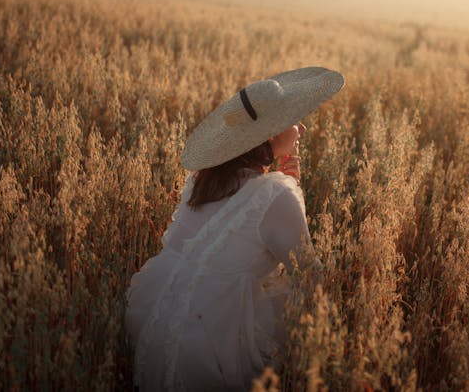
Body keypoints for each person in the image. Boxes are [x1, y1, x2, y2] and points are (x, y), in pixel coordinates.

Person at [125, 67, 344, 391]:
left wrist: (290, 186)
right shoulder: (276, 196)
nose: (302, 127)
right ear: (271, 134)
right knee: (288, 296)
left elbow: (237, 231)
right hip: (209, 343)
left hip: (155, 320)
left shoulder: (204, 177)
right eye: (293, 119)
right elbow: (311, 277)